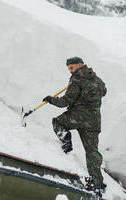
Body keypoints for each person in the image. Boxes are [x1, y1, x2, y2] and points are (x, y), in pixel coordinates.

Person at [43, 57, 107, 195]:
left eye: (71, 68)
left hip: (77, 117)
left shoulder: (76, 79)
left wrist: (51, 99)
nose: (70, 71)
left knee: (57, 122)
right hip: (94, 121)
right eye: (69, 69)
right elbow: (104, 91)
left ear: (79, 65)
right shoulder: (97, 79)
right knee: (92, 152)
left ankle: (66, 141)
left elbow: (65, 101)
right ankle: (98, 184)